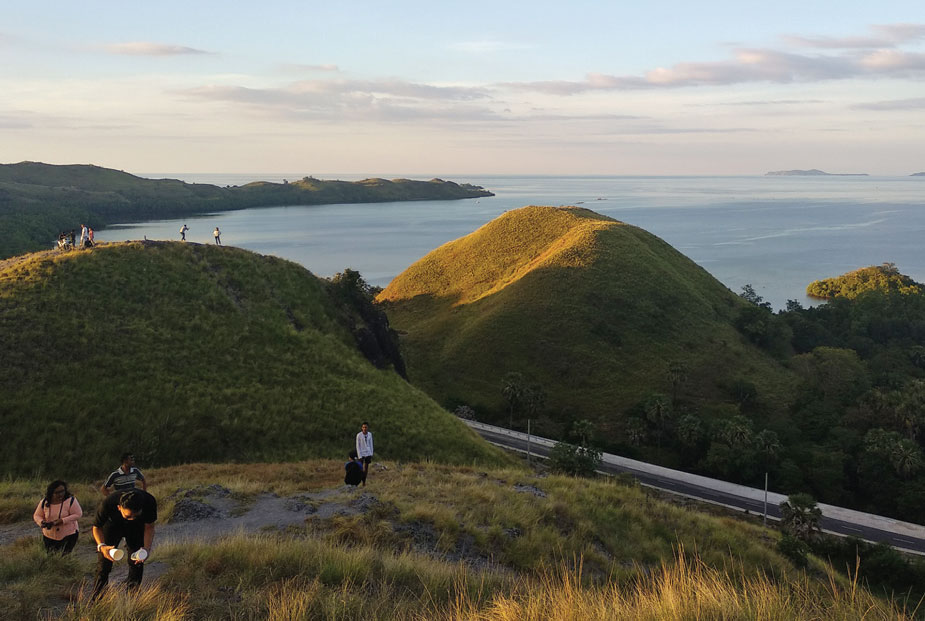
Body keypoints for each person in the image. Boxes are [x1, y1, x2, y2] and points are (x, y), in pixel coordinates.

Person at [91, 489, 157, 598]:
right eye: (128, 516)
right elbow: (96, 527)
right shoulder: (108, 503)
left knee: (137, 561)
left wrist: (146, 549)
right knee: (104, 564)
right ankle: (97, 599)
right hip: (112, 526)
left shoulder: (149, 502)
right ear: (119, 507)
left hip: (136, 528)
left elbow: (149, 527)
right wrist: (102, 546)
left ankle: (132, 597)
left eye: (136, 515)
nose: (132, 519)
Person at [33, 480, 82, 555]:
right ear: (51, 492)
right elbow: (37, 515)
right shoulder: (45, 502)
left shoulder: (71, 500)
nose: (61, 494)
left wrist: (62, 520)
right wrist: (41, 522)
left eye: (62, 491)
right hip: (49, 535)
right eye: (57, 492)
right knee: (51, 556)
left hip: (69, 534)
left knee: (65, 556)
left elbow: (78, 514)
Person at [355, 422, 374, 486]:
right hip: (361, 453)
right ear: (361, 428)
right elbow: (358, 446)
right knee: (360, 468)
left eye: (365, 427)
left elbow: (371, 444)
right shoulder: (359, 435)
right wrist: (359, 455)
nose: (364, 429)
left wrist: (371, 453)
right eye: (363, 427)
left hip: (368, 452)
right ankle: (358, 480)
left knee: (366, 468)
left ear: (367, 428)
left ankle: (364, 481)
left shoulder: (370, 434)